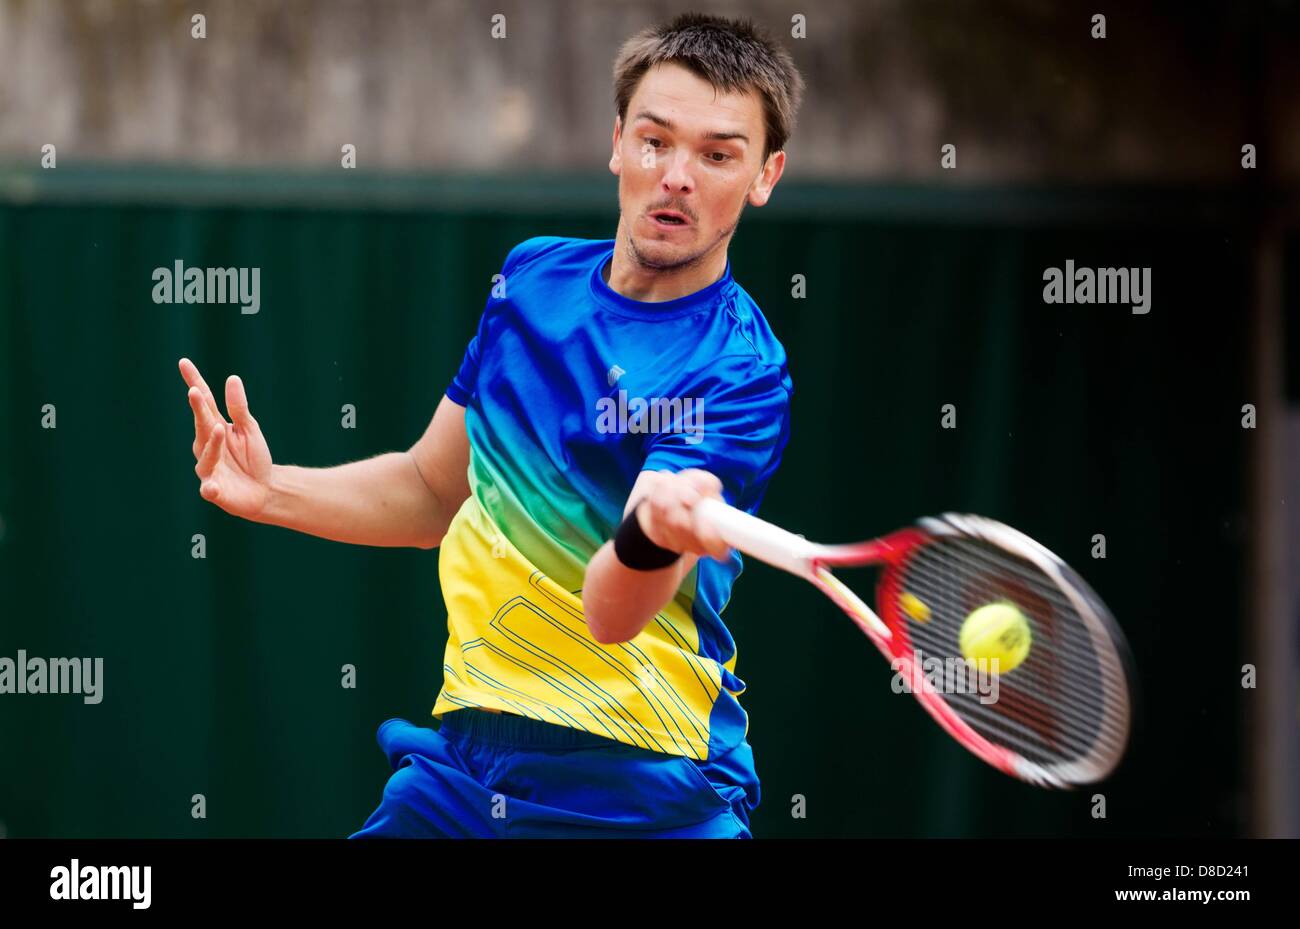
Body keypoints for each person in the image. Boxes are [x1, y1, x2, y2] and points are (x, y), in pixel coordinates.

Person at [179, 12, 803, 838]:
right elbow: (434, 489)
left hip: (644, 790)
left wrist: (650, 530)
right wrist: (273, 490)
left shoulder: (740, 372)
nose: (677, 175)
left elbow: (612, 613)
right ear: (617, 142)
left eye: (718, 154)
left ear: (765, 174)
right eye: (655, 141)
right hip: (466, 772)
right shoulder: (532, 280)